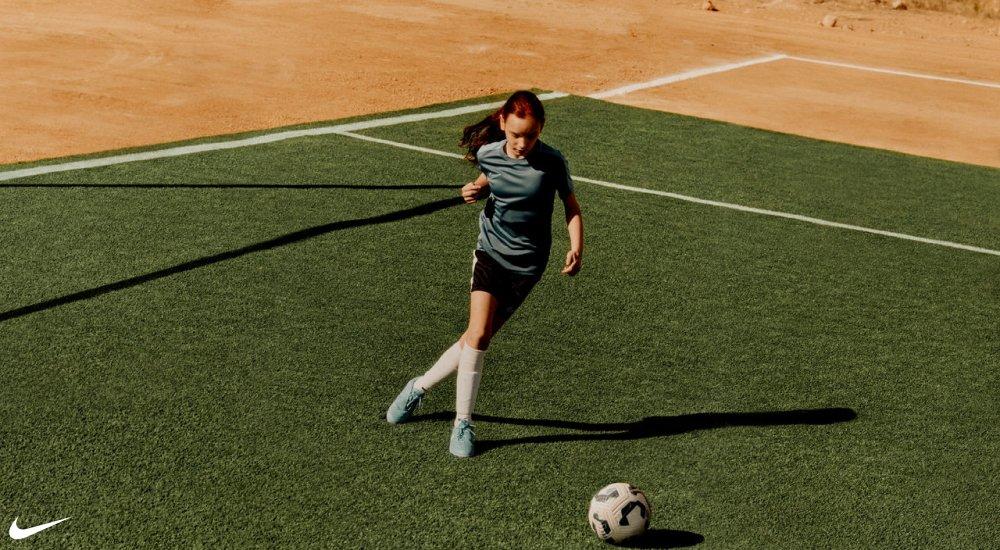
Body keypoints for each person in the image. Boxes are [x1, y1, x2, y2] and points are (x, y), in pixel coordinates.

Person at [385, 90, 584, 458]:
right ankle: (463, 422)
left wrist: (576, 246)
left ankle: (418, 387)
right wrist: (474, 189)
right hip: (490, 252)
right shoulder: (488, 153)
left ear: (541, 130)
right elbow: (486, 178)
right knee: (478, 335)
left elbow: (571, 207)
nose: (522, 143)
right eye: (516, 134)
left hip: (528, 266)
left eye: (531, 135)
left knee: (476, 338)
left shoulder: (552, 162)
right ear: (503, 123)